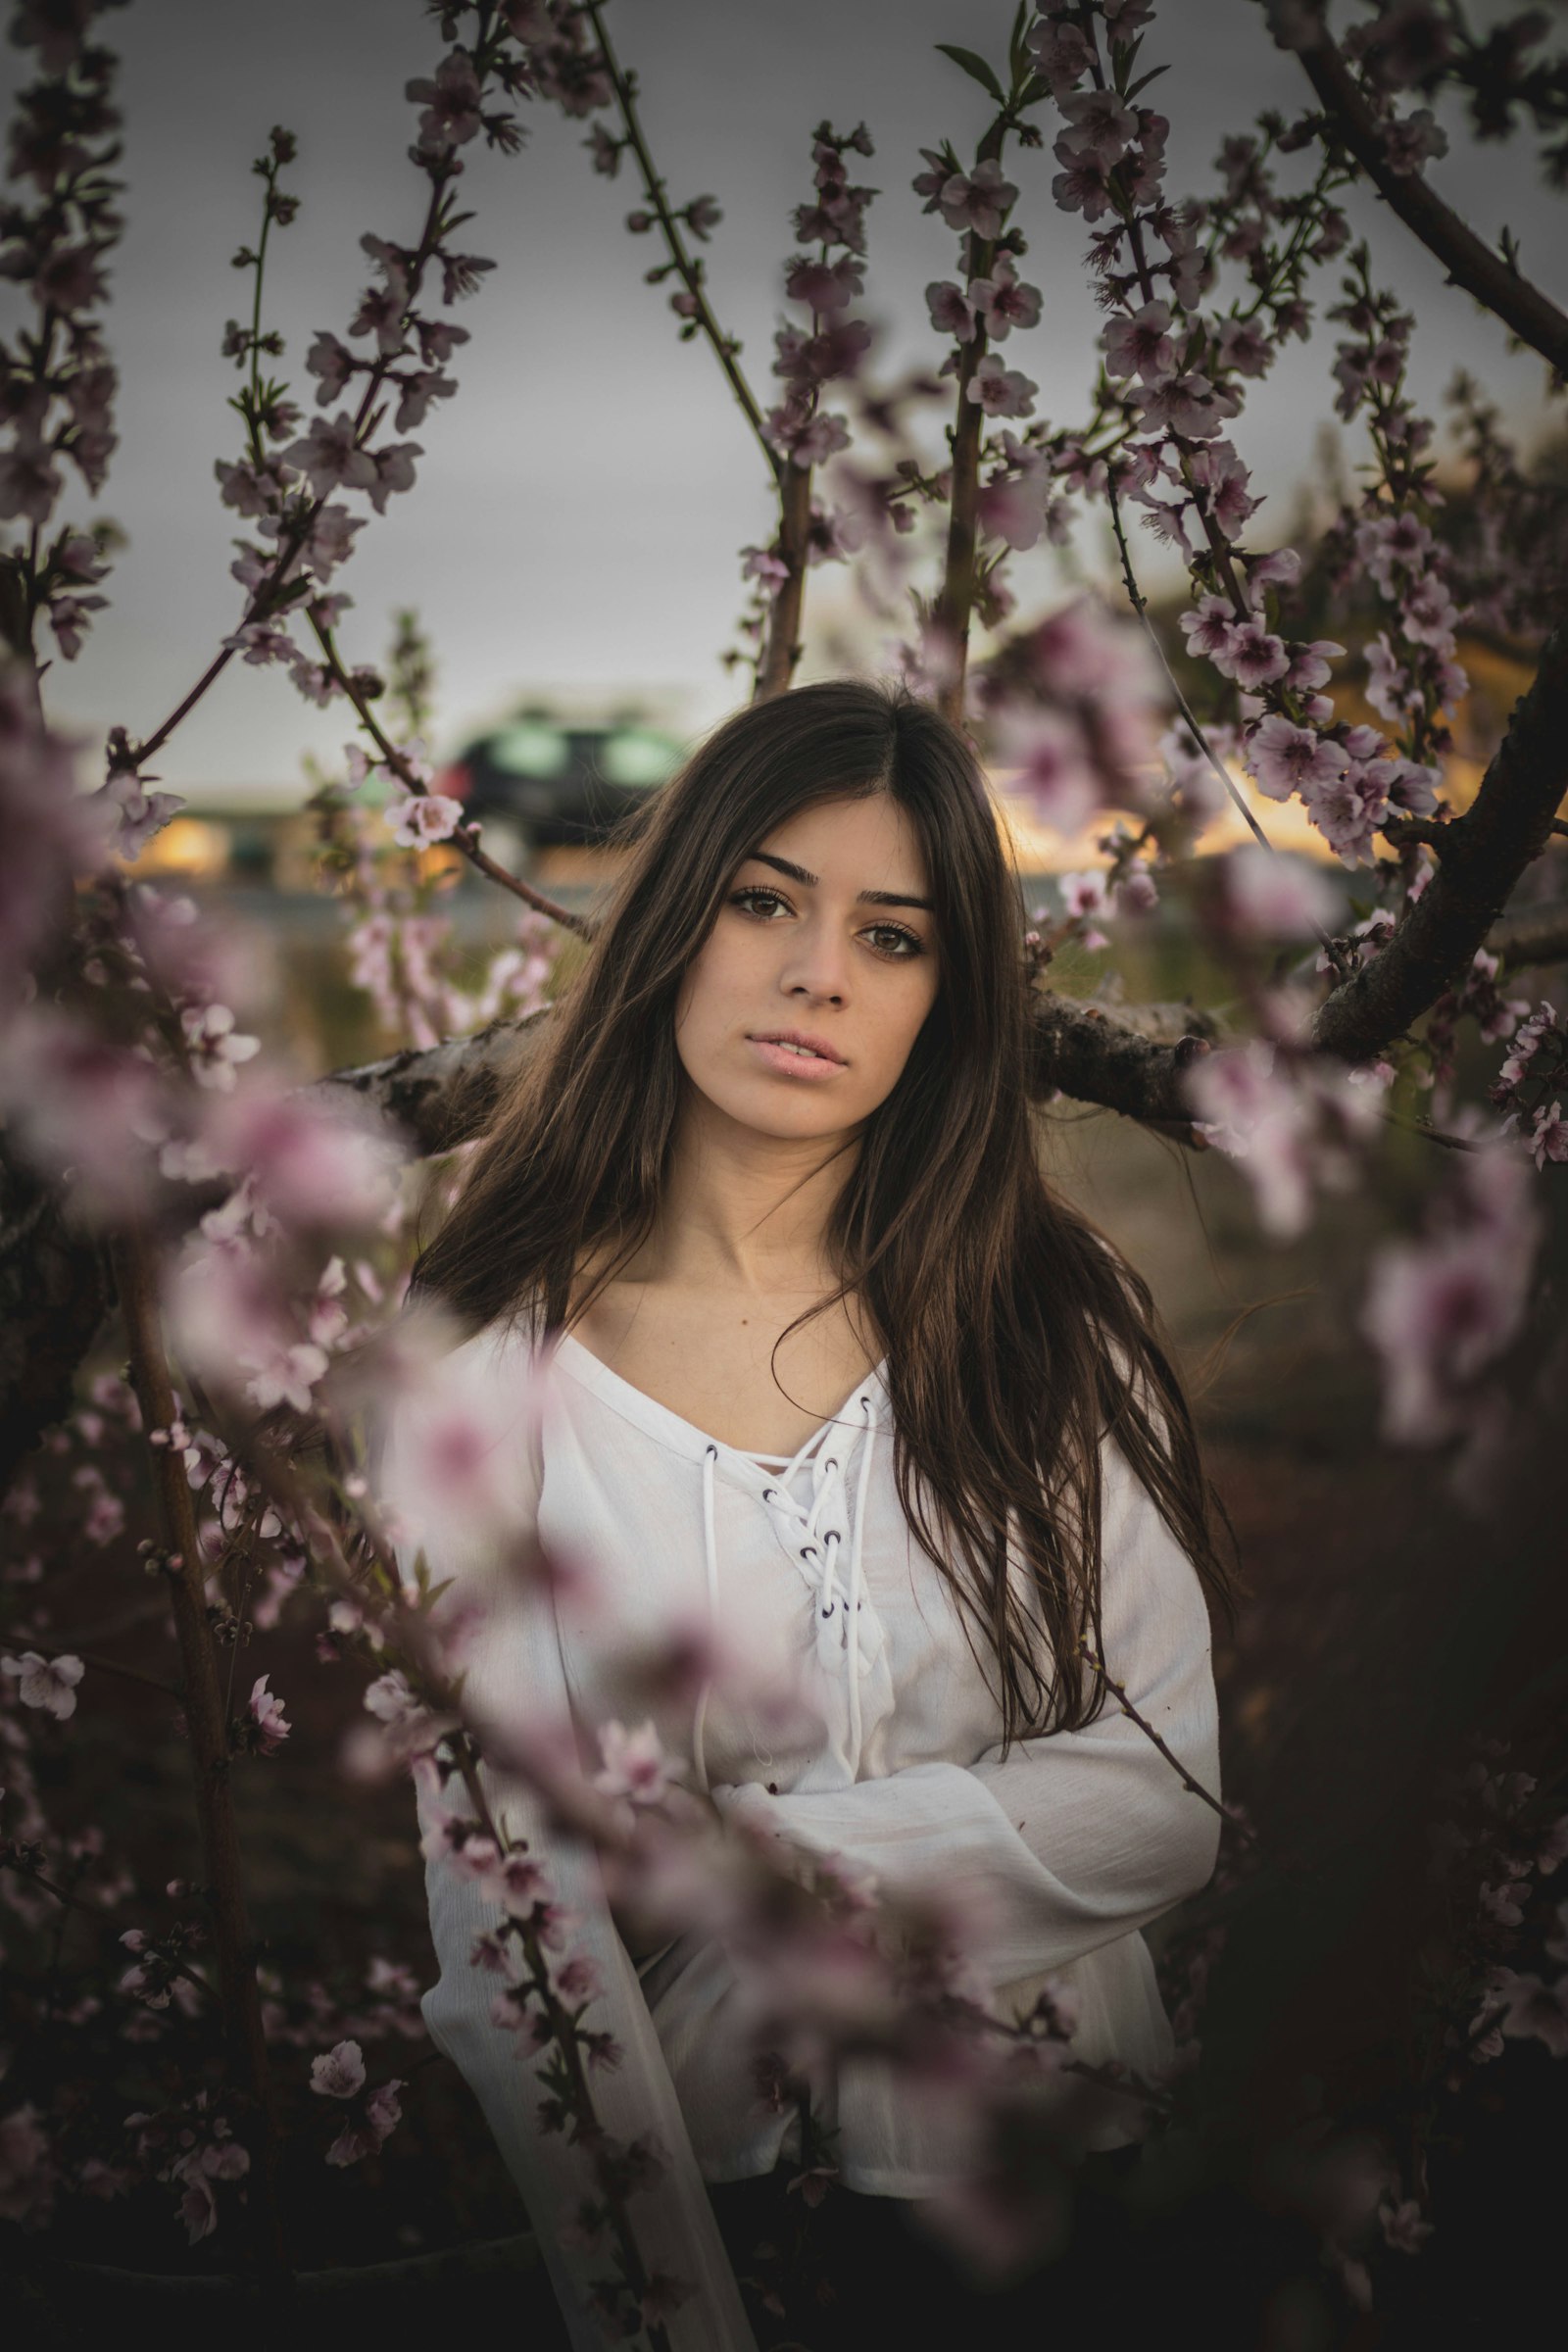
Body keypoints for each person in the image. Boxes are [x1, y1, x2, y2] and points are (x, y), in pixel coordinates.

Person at [371, 677, 1232, 2352]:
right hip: (721, 2204)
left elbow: (1170, 1791)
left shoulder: (1052, 1313)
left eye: (893, 936)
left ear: (946, 997)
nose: (817, 972)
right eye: (765, 899)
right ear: (676, 926)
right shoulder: (487, 1369)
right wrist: (664, 2314)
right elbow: (514, 1936)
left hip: (1068, 2189)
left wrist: (763, 1863)